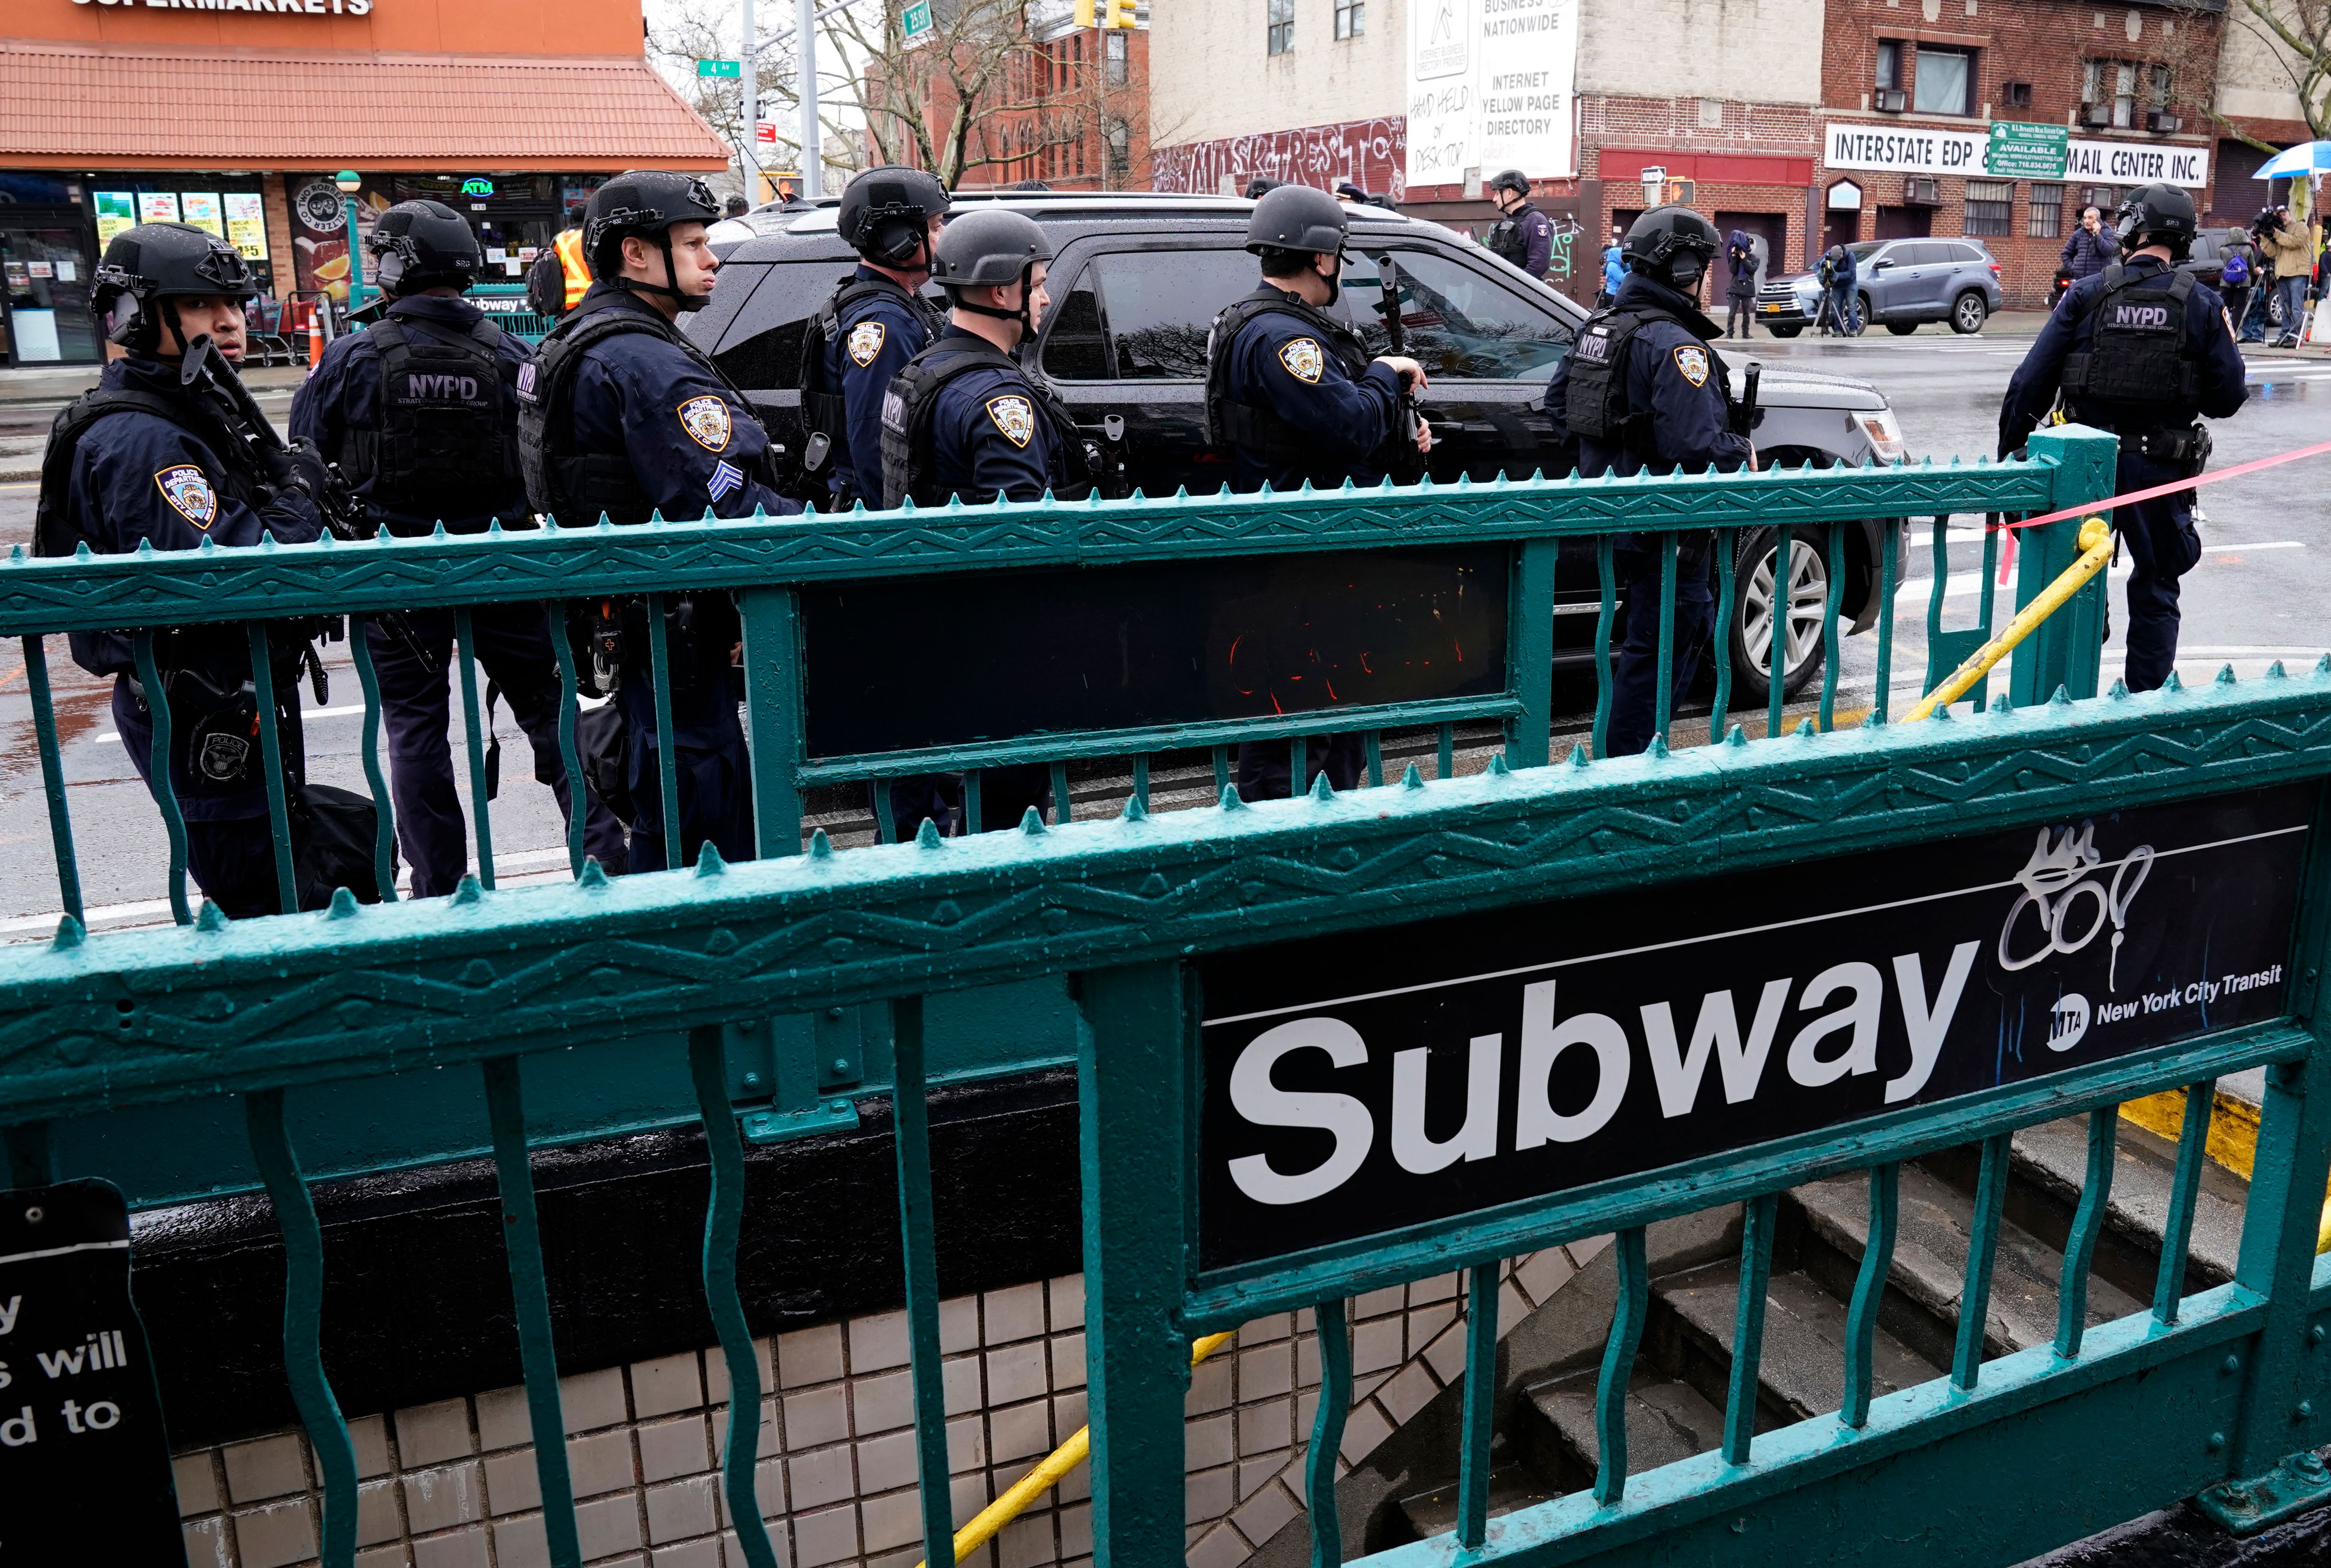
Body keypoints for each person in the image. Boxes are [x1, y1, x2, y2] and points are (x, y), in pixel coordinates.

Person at [290, 198, 627, 895]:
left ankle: (440, 888)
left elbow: (305, 463)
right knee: (552, 717)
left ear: (390, 267)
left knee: (415, 732)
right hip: (503, 567)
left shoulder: (353, 356)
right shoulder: (513, 354)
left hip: (395, 577)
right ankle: (603, 869)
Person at [36, 223, 330, 916]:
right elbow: (238, 571)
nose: (229, 321)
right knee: (262, 900)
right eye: (200, 304)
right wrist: (299, 500)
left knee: (294, 869)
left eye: (233, 303)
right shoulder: (146, 438)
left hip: (226, 689)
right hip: (200, 702)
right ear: (138, 315)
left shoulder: (189, 408)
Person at [516, 171, 801, 873]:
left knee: (665, 806)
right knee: (701, 820)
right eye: (695, 243)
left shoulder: (584, 337)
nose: (712, 259)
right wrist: (819, 526)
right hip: (673, 629)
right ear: (636, 254)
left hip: (631, 626)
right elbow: (722, 499)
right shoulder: (642, 359)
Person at [1201, 183, 1434, 799]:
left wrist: (1399, 412)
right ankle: (1280, 863)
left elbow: (1336, 414)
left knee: (1333, 721)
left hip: (1312, 557)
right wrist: (1389, 372)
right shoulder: (1286, 339)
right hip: (1298, 558)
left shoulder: (1276, 327)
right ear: (1324, 259)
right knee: (1296, 729)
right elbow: (1347, 424)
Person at [877, 208, 1088, 832]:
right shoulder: (999, 400)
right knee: (1010, 815)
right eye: (1040, 282)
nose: (1047, 297)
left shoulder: (920, 370)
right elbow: (1020, 535)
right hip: (997, 646)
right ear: (1003, 291)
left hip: (932, 628)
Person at [1999, 184, 2246, 693]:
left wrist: (2013, 460)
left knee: (2071, 583)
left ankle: (2063, 706)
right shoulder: (2202, 304)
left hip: (2083, 472)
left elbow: (2030, 383)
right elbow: (2227, 397)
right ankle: (2144, 711)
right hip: (2160, 473)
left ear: (2133, 228)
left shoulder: (2086, 294)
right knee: (2157, 587)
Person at [1542, 206, 1753, 757]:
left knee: (1652, 642)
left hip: (1617, 521)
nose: (1707, 280)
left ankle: (1632, 754)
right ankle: (1630, 765)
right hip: (1669, 532)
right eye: (1703, 268)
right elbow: (1697, 445)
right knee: (1664, 645)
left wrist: (1607, 463)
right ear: (1683, 268)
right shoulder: (1675, 345)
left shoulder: (1600, 329)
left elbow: (1558, 408)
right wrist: (1742, 450)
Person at [797, 165, 948, 508]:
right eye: (937, 227)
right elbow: (879, 447)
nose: (945, 237)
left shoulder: (892, 304)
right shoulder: (884, 324)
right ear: (900, 241)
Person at [2262, 203, 2319, 348]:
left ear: (2290, 214)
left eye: (2284, 214)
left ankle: (2296, 336)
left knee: (2295, 307)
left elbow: (2295, 242)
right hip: (2282, 273)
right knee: (2284, 307)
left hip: (2298, 273)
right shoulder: (2280, 231)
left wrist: (2277, 233)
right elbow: (2273, 252)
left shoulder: (2301, 227)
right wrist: (2264, 238)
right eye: (2279, 215)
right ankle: (2284, 336)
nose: (2282, 217)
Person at [1482, 170, 1554, 279]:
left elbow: (1538, 266)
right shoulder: (1509, 220)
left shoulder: (1535, 221)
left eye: (1497, 194)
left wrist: (1513, 285)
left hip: (1517, 292)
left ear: (1510, 193)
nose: (1494, 199)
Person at [2217, 225, 2256, 348]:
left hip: (2226, 283)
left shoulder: (2223, 250)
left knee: (2224, 309)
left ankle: (2223, 333)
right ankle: (2234, 334)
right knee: (2239, 309)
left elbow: (2224, 263)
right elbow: (2252, 267)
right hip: (2243, 283)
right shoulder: (2248, 249)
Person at [2061, 206, 2119, 284]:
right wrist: (2074, 269)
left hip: (2099, 282)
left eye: (2090, 218)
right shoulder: (2079, 234)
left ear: (2098, 219)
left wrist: (2097, 235)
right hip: (2081, 281)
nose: (2086, 221)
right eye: (2085, 218)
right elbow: (2066, 254)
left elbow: (2108, 252)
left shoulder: (2108, 233)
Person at [1817, 243, 1860, 335]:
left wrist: (1835, 276)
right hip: (1836, 286)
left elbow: (1851, 274)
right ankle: (1839, 330)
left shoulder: (1850, 256)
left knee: (1852, 307)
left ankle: (1853, 329)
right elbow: (1817, 265)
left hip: (1850, 285)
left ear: (1841, 255)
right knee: (1836, 308)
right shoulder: (1829, 255)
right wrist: (1820, 275)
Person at [1723, 230, 1758, 339]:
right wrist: (1734, 255)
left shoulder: (1755, 259)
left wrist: (1744, 259)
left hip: (1747, 289)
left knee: (1746, 313)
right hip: (1735, 288)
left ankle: (1745, 333)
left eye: (1751, 244)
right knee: (1732, 312)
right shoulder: (1736, 257)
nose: (1749, 246)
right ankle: (1730, 333)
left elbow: (1751, 270)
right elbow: (1733, 271)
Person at [1600, 233, 1625, 307]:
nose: (1621, 258)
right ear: (1616, 255)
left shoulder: (1615, 265)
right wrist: (1629, 273)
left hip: (1614, 292)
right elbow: (1620, 279)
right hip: (1613, 293)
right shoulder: (1613, 266)